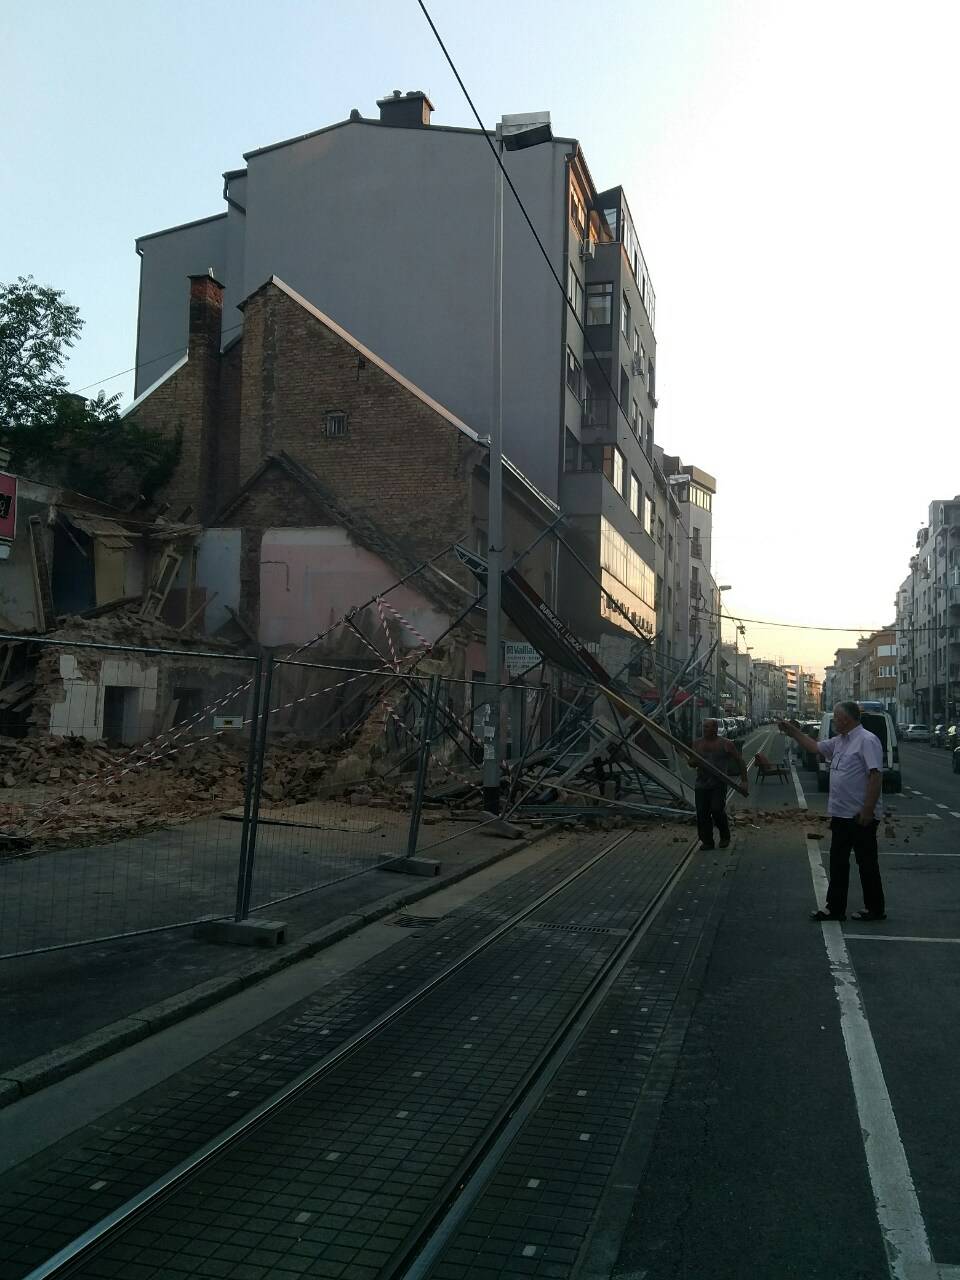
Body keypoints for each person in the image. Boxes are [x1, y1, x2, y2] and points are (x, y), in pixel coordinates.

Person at [778, 701, 886, 922]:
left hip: (860, 816)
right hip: (841, 815)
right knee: (838, 862)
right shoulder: (840, 741)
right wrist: (793, 732)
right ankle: (835, 909)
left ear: (846, 719)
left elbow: (875, 776)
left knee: (866, 864)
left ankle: (875, 909)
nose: (834, 721)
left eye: (837, 717)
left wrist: (867, 810)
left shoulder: (867, 740)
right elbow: (815, 747)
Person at [690, 719, 748, 850]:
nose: (704, 729)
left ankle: (724, 836)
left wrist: (744, 781)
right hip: (701, 784)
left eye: (707, 727)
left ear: (715, 729)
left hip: (718, 784)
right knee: (702, 813)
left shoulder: (726, 744)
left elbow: (740, 761)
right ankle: (707, 841)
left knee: (716, 810)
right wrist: (693, 762)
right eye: (703, 727)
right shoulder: (697, 743)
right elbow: (691, 762)